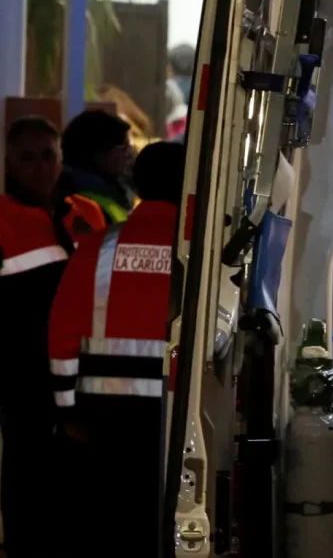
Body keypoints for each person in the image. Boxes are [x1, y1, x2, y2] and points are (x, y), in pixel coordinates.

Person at [48, 141, 186, 555]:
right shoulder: (197, 253)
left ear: (137, 183)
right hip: (178, 412)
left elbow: (62, 335)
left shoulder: (98, 247)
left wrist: (67, 410)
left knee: (110, 524)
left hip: (105, 418)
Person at [0, 117, 104, 558]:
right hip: (23, 376)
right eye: (27, 158)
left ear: (61, 159)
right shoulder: (2, 218)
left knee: (78, 482)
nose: (39, 167)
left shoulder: (87, 213)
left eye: (48, 156)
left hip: (86, 372)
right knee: (26, 476)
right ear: (9, 162)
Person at [58, 109, 137, 225]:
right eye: (123, 147)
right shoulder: (80, 205)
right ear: (98, 153)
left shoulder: (108, 191)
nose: (129, 154)